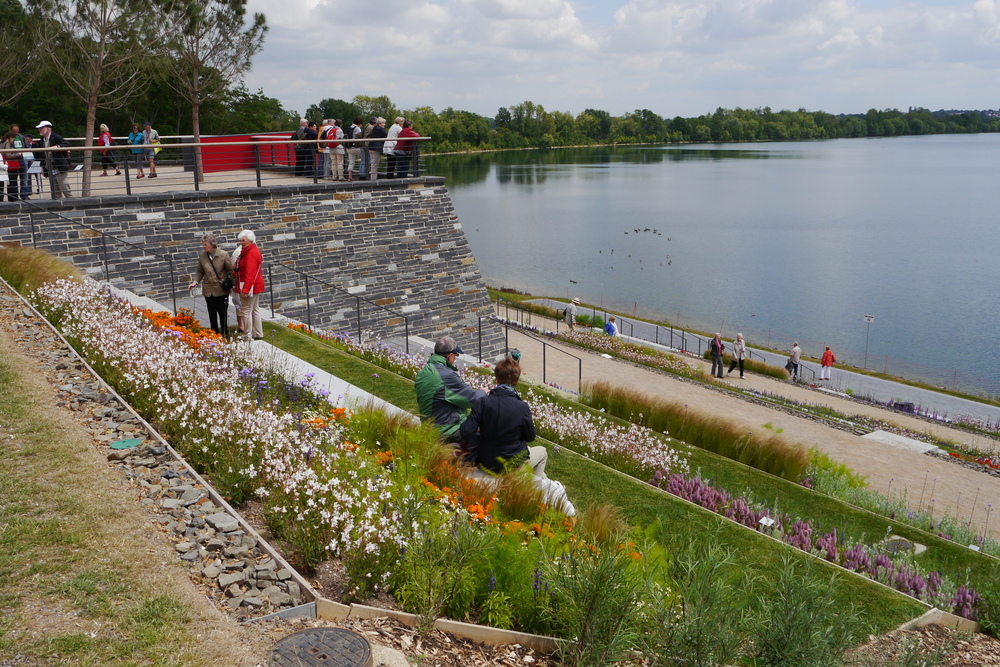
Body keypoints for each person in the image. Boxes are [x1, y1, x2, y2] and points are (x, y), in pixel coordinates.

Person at [460, 357, 548, 478]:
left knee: (542, 472)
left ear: (497, 378)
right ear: (517, 380)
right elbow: (530, 436)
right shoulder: (522, 407)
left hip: (486, 460)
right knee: (542, 452)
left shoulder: (483, 402)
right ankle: (533, 487)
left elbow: (466, 431)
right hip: (511, 463)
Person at [415, 336, 486, 442]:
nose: (456, 358)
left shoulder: (424, 372)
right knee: (487, 428)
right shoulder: (445, 375)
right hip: (447, 431)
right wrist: (483, 392)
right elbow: (472, 400)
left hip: (430, 429)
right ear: (450, 356)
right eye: (456, 355)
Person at [188, 234, 234, 337]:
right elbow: (200, 271)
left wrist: (235, 285)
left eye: (205, 244)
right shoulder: (202, 256)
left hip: (221, 290)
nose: (203, 247)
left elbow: (231, 271)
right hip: (208, 290)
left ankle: (224, 334)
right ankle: (214, 334)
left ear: (212, 244)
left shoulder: (223, 254)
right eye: (203, 244)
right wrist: (195, 282)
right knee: (212, 313)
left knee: (223, 313)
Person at [234, 229, 265, 340]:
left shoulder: (251, 253)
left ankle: (247, 335)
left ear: (250, 240)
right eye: (240, 240)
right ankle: (258, 333)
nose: (241, 242)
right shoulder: (251, 251)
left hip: (249, 285)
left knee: (246, 309)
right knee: (255, 309)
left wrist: (245, 290)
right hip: (255, 284)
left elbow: (250, 274)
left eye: (243, 240)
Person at [35, 121, 71, 199]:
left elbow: (66, 144)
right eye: (39, 128)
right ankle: (57, 203)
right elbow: (42, 155)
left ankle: (71, 201)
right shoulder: (42, 140)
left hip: (59, 166)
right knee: (54, 189)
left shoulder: (55, 137)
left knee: (64, 186)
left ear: (48, 129)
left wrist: (56, 147)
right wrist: (42, 167)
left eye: (42, 128)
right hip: (49, 166)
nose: (40, 130)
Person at [10, 124, 33, 200]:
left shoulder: (22, 137)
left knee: (24, 179)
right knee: (13, 179)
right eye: (14, 132)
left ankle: (24, 195)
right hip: (14, 159)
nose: (16, 133)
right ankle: (14, 196)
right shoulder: (8, 138)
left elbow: (27, 147)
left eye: (17, 131)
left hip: (23, 159)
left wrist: (30, 158)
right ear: (11, 130)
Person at [0, 132, 23, 201]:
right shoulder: (7, 143)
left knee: (7, 182)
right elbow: (9, 155)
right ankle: (13, 197)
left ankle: (4, 198)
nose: (13, 140)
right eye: (13, 138)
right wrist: (18, 154)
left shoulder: (2, 143)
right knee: (13, 182)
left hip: (4, 163)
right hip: (10, 165)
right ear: (10, 138)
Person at [345, 116, 363, 181]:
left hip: (349, 147)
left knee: (351, 162)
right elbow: (360, 137)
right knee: (365, 156)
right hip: (355, 147)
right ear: (360, 123)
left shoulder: (350, 127)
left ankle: (349, 177)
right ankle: (363, 173)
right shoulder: (357, 128)